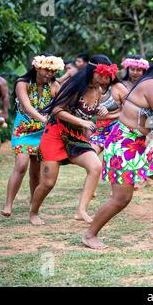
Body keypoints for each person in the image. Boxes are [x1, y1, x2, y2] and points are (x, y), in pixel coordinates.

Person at [82, 51, 153, 250]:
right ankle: (90, 235)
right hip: (124, 144)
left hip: (141, 144)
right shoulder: (152, 85)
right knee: (121, 199)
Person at [29, 55, 117, 225]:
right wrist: (82, 121)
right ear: (93, 71)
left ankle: (81, 211)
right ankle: (33, 212)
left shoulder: (98, 91)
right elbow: (56, 110)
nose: (105, 80)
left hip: (76, 136)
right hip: (54, 134)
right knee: (48, 182)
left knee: (95, 166)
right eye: (103, 75)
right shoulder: (74, 85)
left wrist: (100, 112)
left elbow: (88, 113)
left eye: (108, 76)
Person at [2, 54, 63, 217]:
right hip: (23, 130)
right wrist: (44, 118)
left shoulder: (55, 85)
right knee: (21, 165)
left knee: (35, 170)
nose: (49, 74)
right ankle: (8, 203)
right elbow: (27, 106)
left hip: (43, 133)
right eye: (46, 70)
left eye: (52, 71)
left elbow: (60, 107)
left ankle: (32, 203)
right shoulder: (23, 83)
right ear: (37, 67)